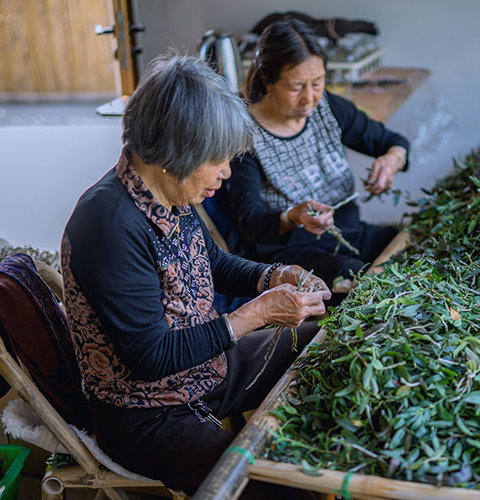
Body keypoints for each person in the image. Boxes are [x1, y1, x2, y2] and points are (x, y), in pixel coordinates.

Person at [60, 54, 330, 497]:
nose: (226, 172)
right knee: (283, 492)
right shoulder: (108, 225)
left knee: (327, 346)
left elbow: (213, 263)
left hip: (206, 371)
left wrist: (273, 276)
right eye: (217, 159)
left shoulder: (169, 192)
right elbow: (150, 357)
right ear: (176, 152)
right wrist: (258, 313)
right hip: (149, 415)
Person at [226, 18, 409, 299]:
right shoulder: (245, 136)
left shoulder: (328, 108)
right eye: (296, 87)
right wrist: (294, 216)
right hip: (292, 254)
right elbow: (251, 223)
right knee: (357, 280)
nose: (310, 98)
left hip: (349, 234)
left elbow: (394, 143)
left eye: (318, 82)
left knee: (410, 244)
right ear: (267, 81)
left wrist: (391, 161)